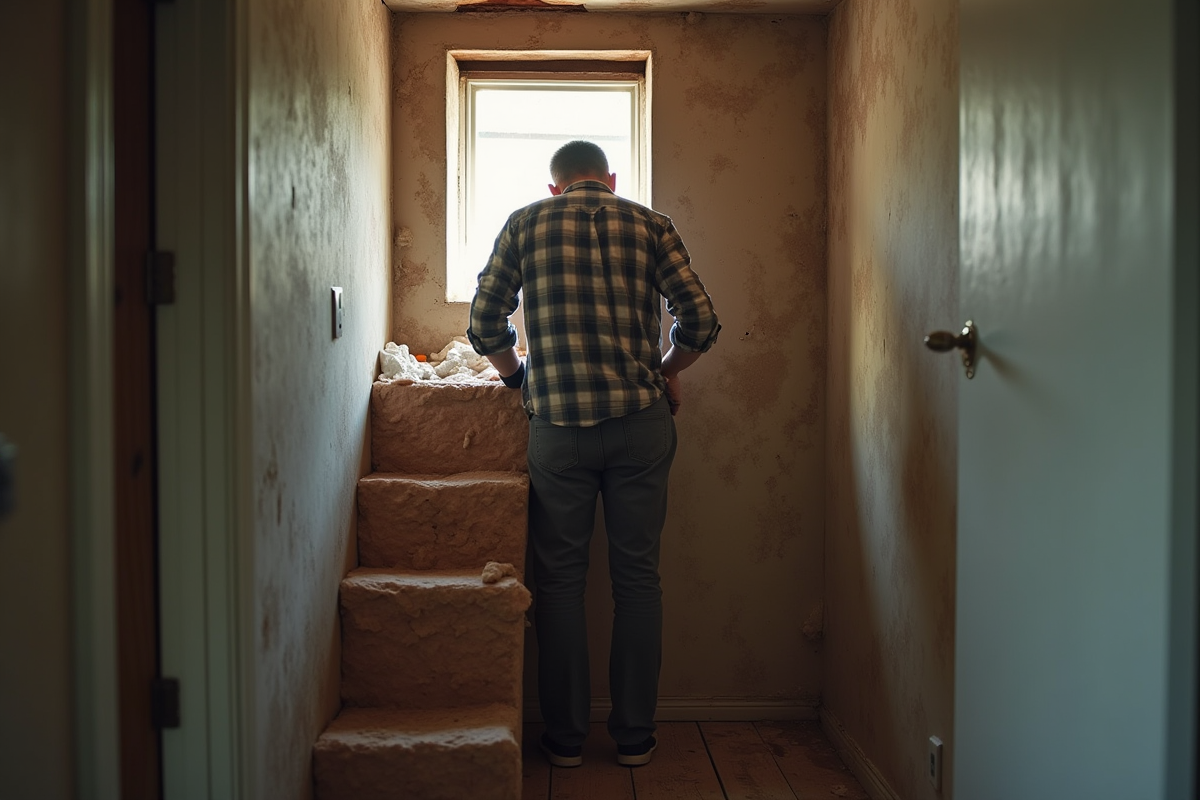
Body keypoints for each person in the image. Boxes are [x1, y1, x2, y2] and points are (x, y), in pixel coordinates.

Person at [466, 140, 720, 769]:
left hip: (559, 430)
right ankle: (634, 738)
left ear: (554, 187)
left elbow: (484, 322)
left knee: (559, 585)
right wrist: (666, 368)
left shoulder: (526, 222)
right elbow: (702, 321)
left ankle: (565, 740)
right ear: (610, 178)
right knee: (638, 581)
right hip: (641, 423)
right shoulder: (652, 223)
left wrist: (514, 375)